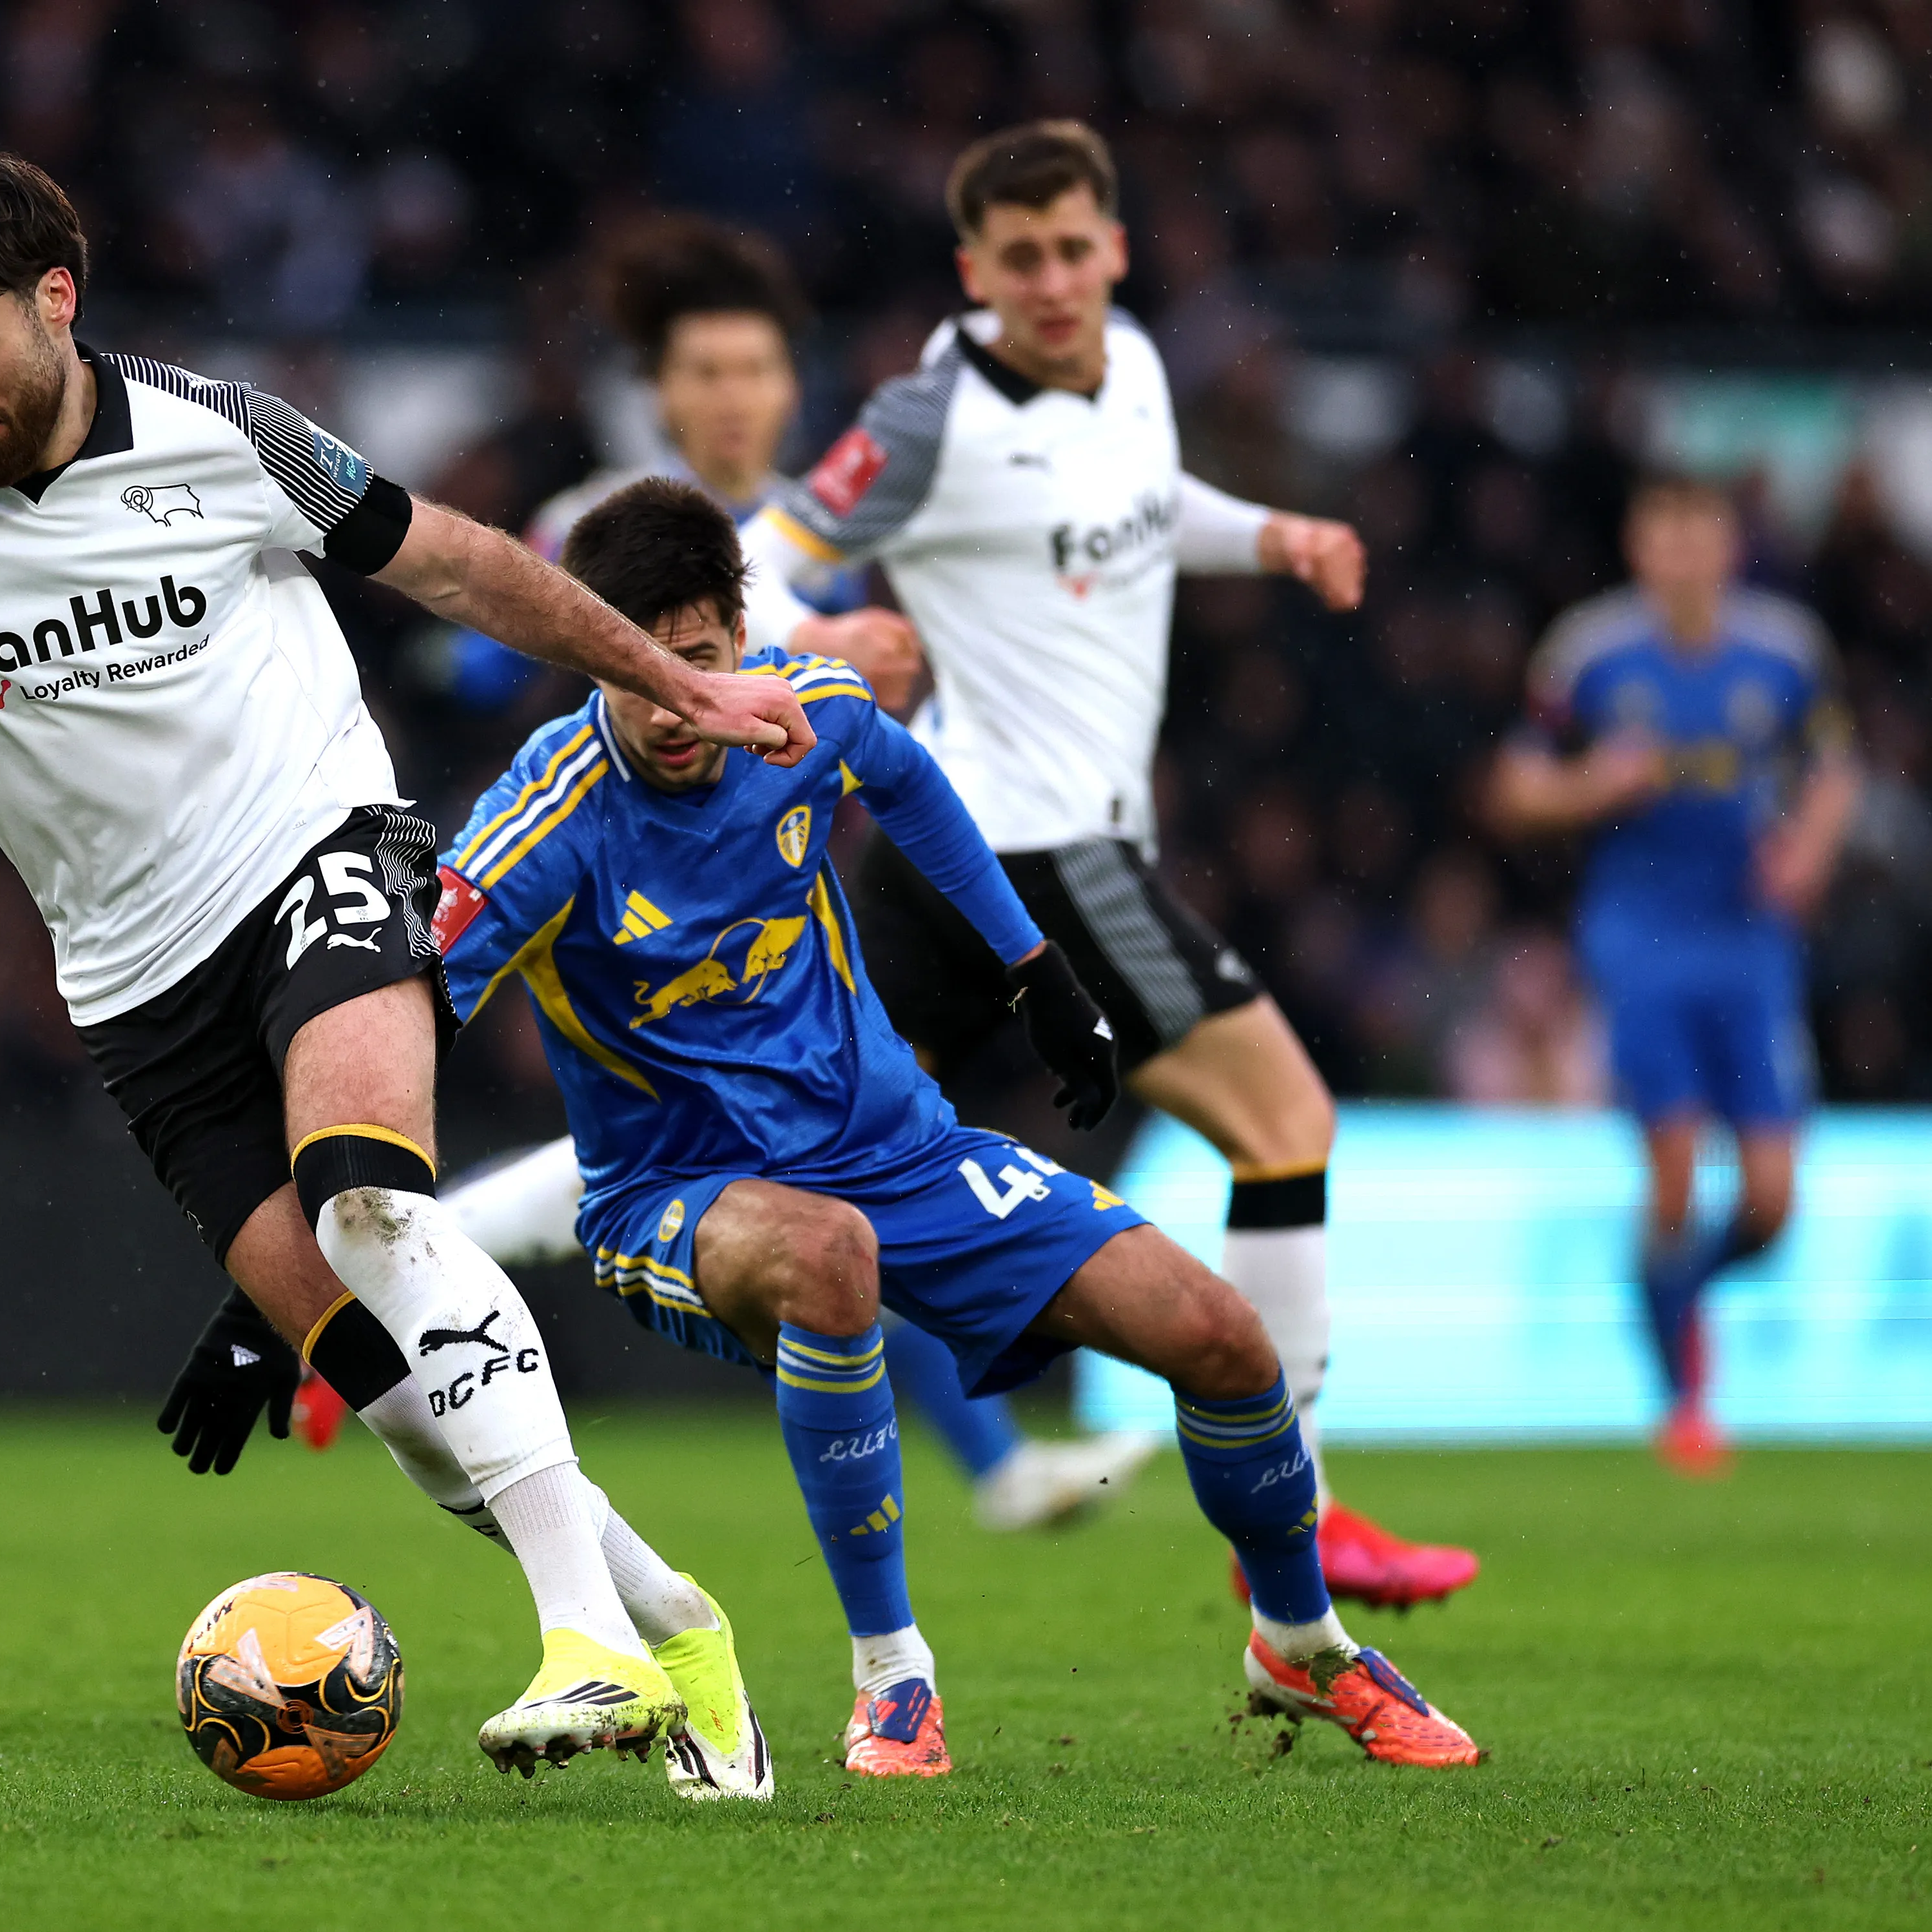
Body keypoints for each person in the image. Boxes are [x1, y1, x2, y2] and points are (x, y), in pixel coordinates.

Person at [0, 141, 816, 1788]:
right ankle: (675, 1622)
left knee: (370, 1204)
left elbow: (459, 561)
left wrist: (680, 684)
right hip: (132, 984)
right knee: (396, 1394)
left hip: (318, 850)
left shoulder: (223, 437)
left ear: (55, 300)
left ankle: (584, 1644)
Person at [434, 479, 1478, 1772]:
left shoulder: (804, 710)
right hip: (675, 1196)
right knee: (830, 1257)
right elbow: (413, 1003)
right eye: (632, 670)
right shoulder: (544, 817)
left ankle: (1298, 1639)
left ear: (741, 638)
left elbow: (909, 779)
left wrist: (1037, 969)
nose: (670, 705)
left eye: (696, 662)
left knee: (1216, 1334)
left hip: (901, 1151)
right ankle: (892, 1674)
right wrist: (339, 1199)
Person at [736, 120, 1476, 1609]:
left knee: (812, 1173)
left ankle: (489, 1269)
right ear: (974, 271)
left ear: (1116, 250)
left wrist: (1274, 537)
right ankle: (1303, 1513)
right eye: (1021, 259)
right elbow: (758, 552)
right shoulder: (928, 421)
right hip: (1036, 849)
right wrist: (820, 635)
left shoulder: (1132, 366)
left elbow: (1141, 511)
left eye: (1074, 249)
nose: (1053, 281)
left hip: (945, 855)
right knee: (1284, 1120)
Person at [438, 213, 1158, 1530]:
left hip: (811, 891)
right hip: (625, 890)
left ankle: (992, 1462)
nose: (733, 396)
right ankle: (455, 1238)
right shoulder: (596, 526)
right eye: (705, 372)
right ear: (662, 393)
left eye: (757, 369)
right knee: (772, 1168)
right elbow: (476, 659)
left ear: (790, 387)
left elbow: (878, 717)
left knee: (849, 1179)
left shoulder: (814, 523)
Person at [1488, 474, 1857, 1478]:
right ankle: (1683, 1405)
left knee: (1772, 1202)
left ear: (1731, 548)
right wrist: (1590, 787)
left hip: (1749, 939)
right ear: (1639, 548)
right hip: (1639, 935)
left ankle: (1672, 1291)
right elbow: (1514, 788)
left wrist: (1809, 851)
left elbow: (1833, 769)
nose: (1686, 557)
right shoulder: (1590, 653)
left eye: (1703, 537)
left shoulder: (1785, 652)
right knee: (1676, 1175)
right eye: (1668, 537)